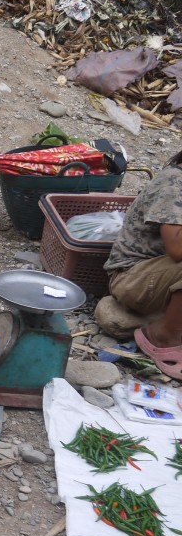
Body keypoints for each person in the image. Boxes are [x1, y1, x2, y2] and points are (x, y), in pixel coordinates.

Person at [105, 149, 182, 380]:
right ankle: (161, 335)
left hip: (164, 275)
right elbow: (177, 249)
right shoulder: (174, 182)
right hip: (133, 277)